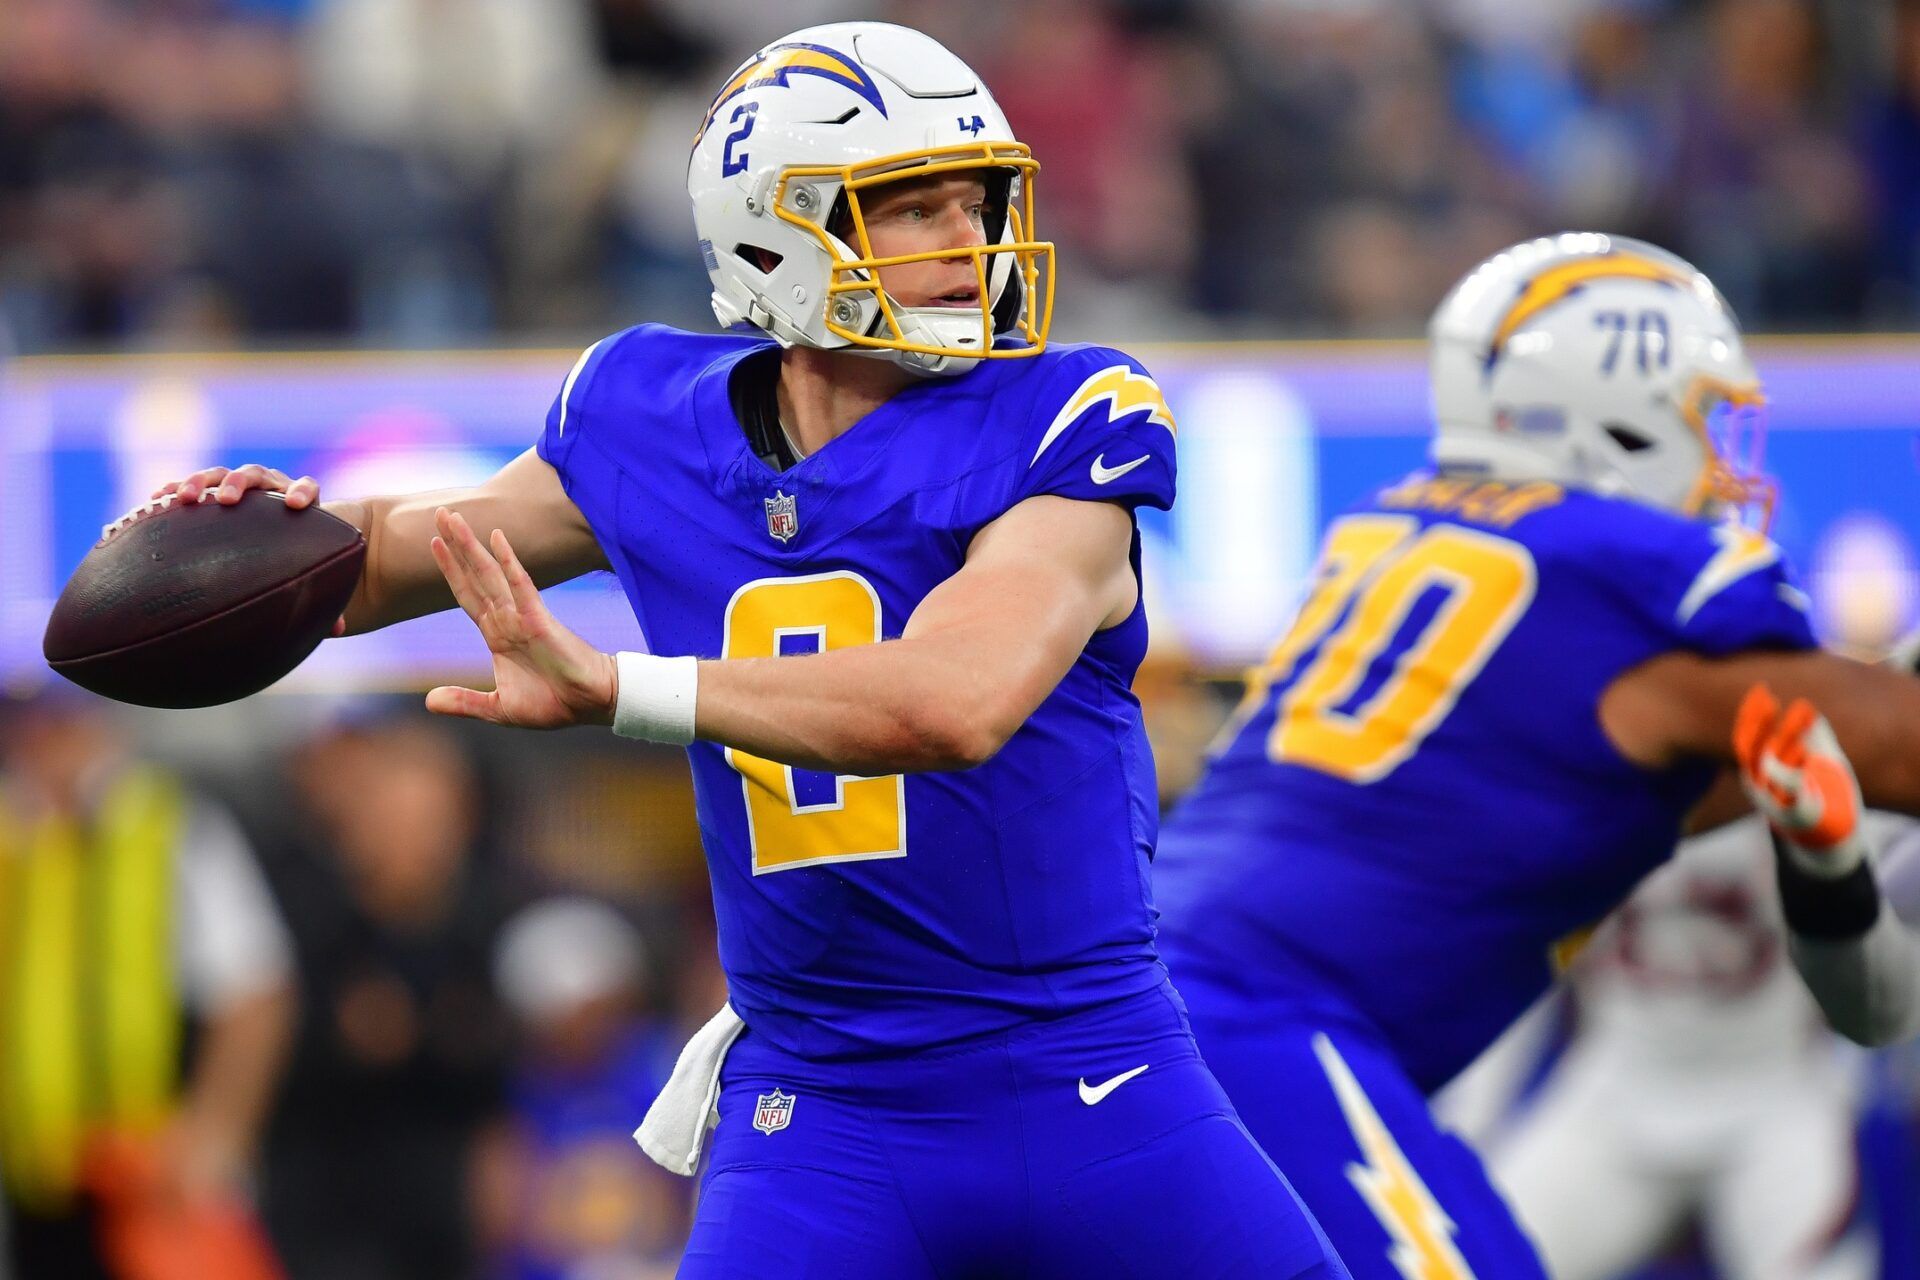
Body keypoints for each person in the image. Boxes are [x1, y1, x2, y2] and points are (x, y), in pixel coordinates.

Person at [145, 22, 1344, 1279]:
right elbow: (408, 556)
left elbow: (956, 699)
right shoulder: (643, 420)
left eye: (976, 204)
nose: (968, 245)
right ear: (774, 231)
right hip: (825, 1111)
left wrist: (625, 689)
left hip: (1092, 1075)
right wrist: (264, 539)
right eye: (912, 209)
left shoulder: (1063, 417)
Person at [1151, 231, 1920, 1278]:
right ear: (1618, 416)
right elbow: (1889, 746)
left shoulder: (1409, 527)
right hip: (1272, 1027)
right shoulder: (1628, 574)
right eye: (1706, 417)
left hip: (1176, 1012)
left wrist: (1831, 847)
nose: (1733, 467)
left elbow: (1859, 965)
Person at [0, 685, 293, 1280]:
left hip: (150, 1179)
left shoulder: (171, 823)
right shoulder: (12, 831)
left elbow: (255, 992)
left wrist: (214, 1133)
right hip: (36, 1175)